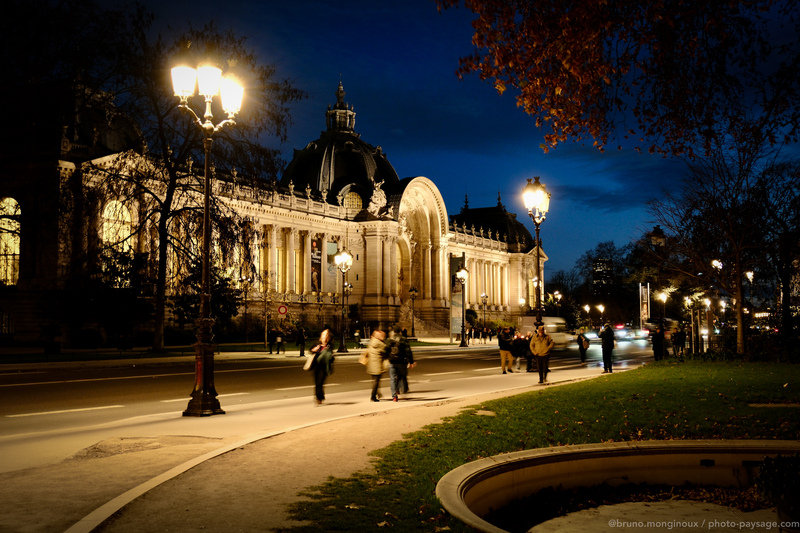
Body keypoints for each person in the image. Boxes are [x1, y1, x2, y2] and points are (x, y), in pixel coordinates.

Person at [383, 325, 415, 401]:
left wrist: (387, 358)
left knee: (392, 379)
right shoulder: (403, 339)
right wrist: (411, 362)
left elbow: (385, 350)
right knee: (401, 376)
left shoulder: (389, 340)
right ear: (400, 332)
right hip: (402, 361)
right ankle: (400, 389)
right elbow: (408, 351)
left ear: (393, 332)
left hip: (392, 361)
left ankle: (394, 396)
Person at [309, 329, 335, 405]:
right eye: (323, 335)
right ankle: (319, 396)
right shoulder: (317, 343)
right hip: (316, 365)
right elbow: (310, 350)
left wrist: (329, 354)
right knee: (317, 382)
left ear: (328, 337)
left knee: (320, 382)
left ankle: (319, 397)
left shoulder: (329, 345)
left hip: (324, 366)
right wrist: (314, 350)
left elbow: (332, 357)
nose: (324, 336)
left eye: (326, 335)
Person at [363, 329, 387, 402]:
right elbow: (386, 351)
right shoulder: (380, 344)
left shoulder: (372, 342)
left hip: (372, 364)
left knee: (375, 380)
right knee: (376, 381)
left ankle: (377, 393)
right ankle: (373, 396)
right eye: (382, 336)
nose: (384, 337)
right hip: (377, 364)